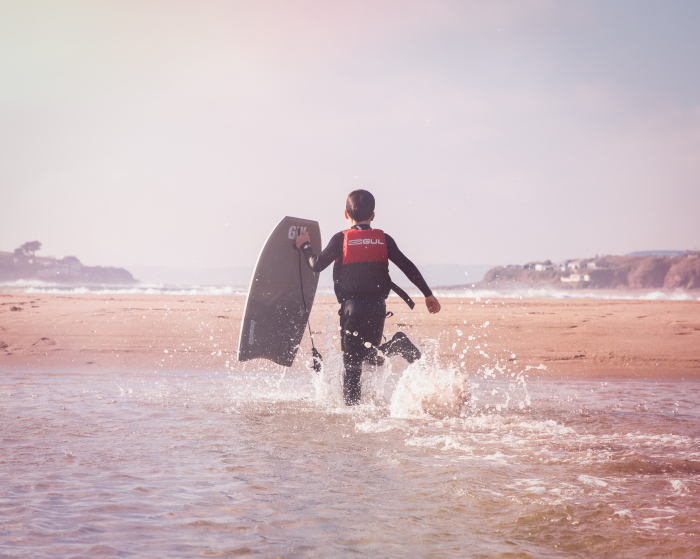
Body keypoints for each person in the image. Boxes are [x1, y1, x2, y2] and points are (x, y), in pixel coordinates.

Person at [295, 189, 441, 405]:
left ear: (346, 214)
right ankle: (397, 344)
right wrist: (428, 294)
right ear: (373, 215)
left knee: (352, 369)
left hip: (352, 311)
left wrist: (304, 245)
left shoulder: (341, 239)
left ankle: (352, 419)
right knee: (372, 356)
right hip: (377, 308)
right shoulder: (383, 239)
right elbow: (407, 266)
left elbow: (316, 264)